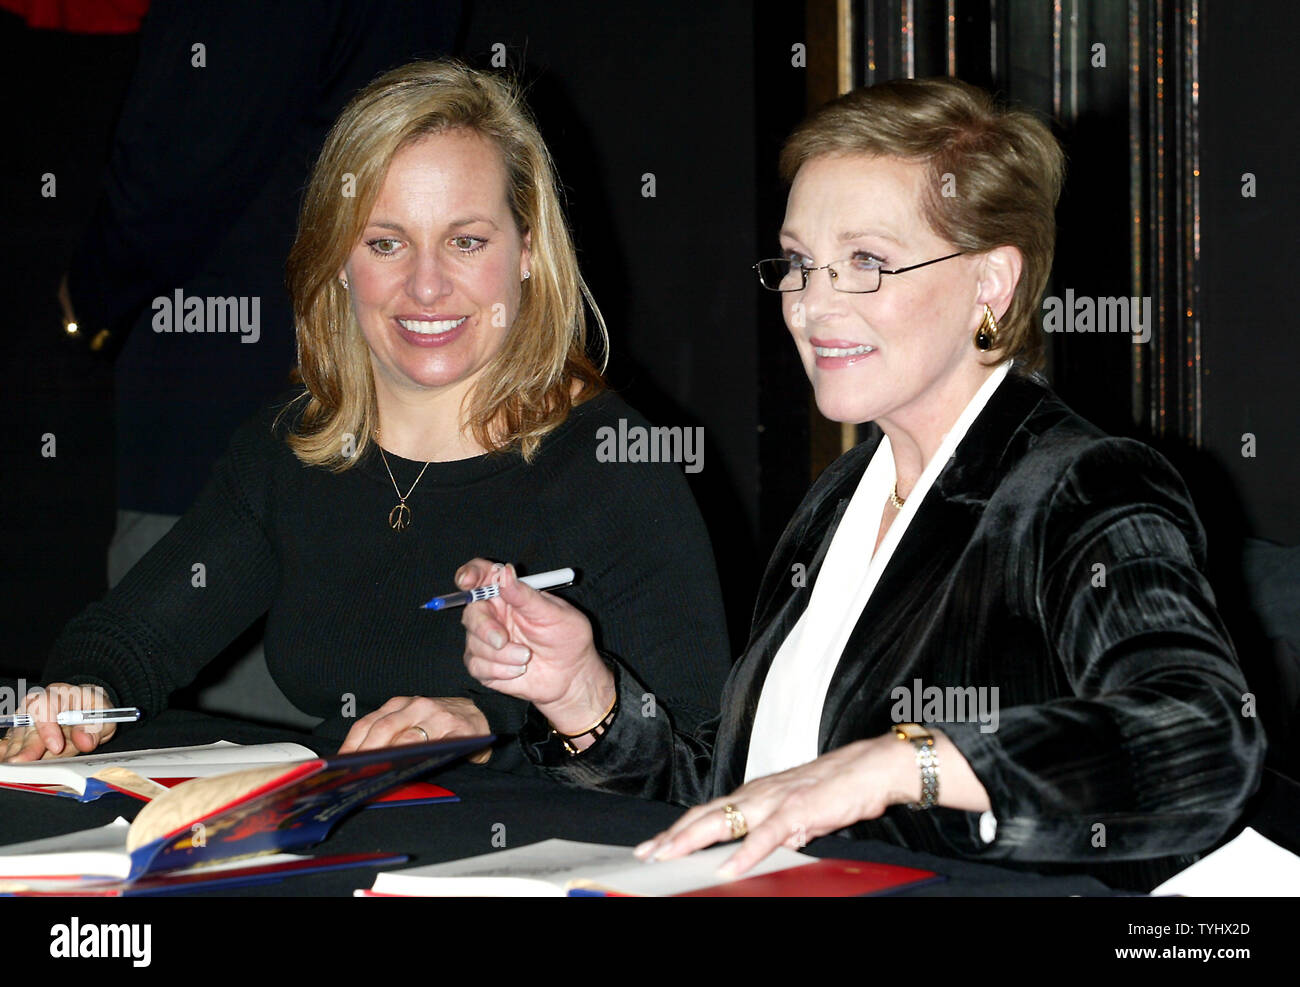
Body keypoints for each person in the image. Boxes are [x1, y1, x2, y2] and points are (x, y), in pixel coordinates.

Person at [455, 77, 1266, 891]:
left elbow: (1201, 739)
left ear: (991, 284)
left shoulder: (1079, 486)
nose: (812, 305)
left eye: (867, 262)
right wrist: (583, 695)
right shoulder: (840, 499)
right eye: (802, 263)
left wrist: (902, 761)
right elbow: (749, 805)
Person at [1, 60, 729, 772]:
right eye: (386, 243)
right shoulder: (296, 445)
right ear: (339, 261)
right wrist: (80, 698)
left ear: (530, 251)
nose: (426, 284)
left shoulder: (615, 461)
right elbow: (131, 638)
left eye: (466, 241)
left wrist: (494, 724)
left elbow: (697, 753)